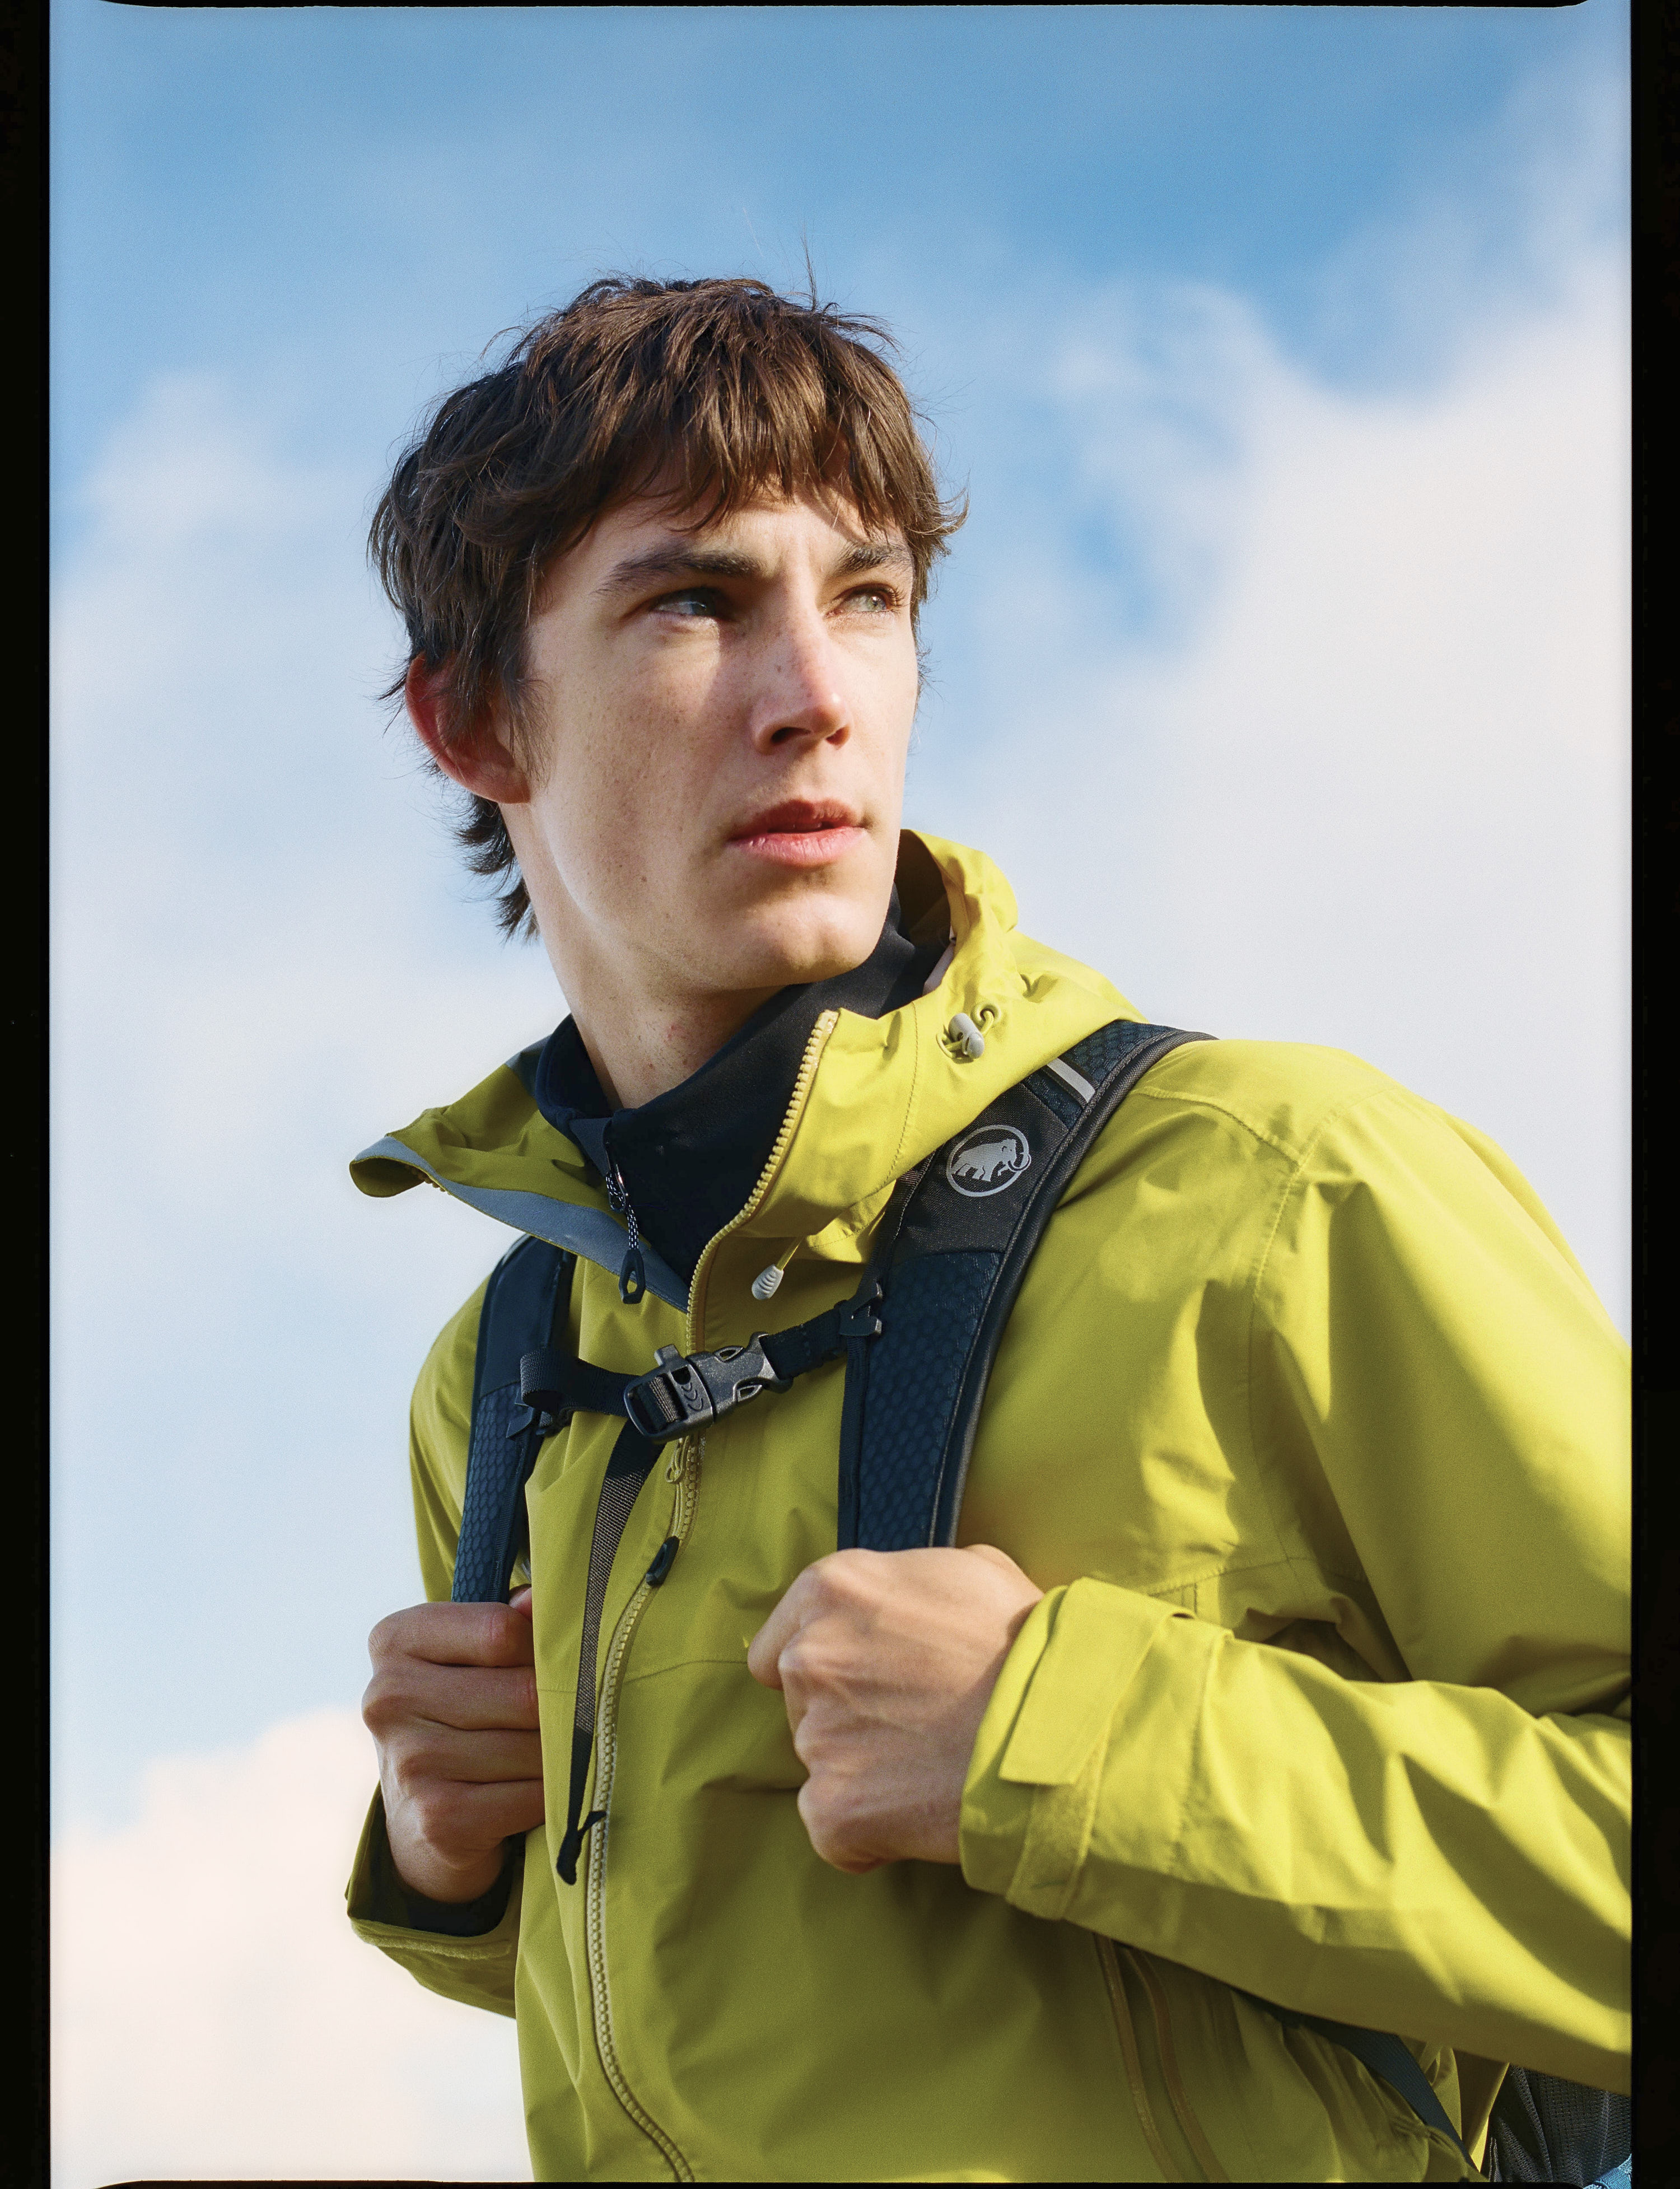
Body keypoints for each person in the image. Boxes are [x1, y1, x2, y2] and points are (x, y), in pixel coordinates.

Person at [346, 275, 1629, 2182]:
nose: (819, 697)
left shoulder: (1283, 1182)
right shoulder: (508, 1367)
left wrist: (1064, 1736)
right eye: (696, 603)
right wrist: (447, 1858)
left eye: (868, 598)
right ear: (475, 721)